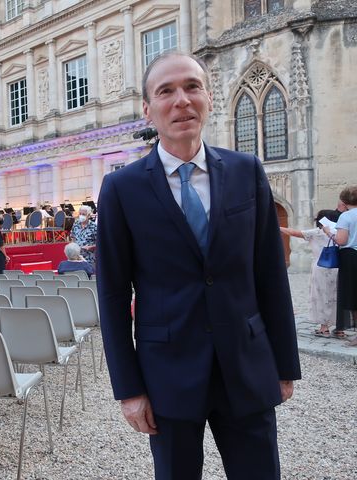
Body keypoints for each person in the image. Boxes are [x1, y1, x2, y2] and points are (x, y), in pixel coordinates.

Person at [96, 52, 300, 479]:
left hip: (246, 366)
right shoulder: (121, 188)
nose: (181, 100)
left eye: (191, 87)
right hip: (166, 373)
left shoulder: (247, 172)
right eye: (166, 91)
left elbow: (269, 274)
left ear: (209, 96)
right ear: (148, 110)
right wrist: (128, 389)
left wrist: (284, 366)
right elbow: (113, 295)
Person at [280, 209, 341, 336]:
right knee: (337, 296)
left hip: (320, 268)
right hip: (338, 268)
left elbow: (295, 233)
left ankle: (324, 328)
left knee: (321, 297)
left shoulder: (316, 233)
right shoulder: (339, 234)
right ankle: (340, 327)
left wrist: (278, 227)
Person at [325, 185, 357, 346]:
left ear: (344, 201)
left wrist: (329, 233)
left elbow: (342, 240)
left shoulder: (346, 216)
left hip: (351, 257)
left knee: (353, 295)